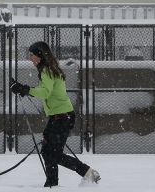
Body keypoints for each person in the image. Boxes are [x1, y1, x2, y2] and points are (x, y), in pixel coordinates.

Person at [10, 41, 101, 188]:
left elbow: (45, 91)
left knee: (53, 154)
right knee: (48, 152)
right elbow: (44, 91)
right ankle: (52, 184)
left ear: (40, 55)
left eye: (32, 55)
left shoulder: (47, 71)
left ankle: (86, 174)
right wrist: (23, 89)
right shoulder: (48, 69)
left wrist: (26, 89)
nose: (30, 58)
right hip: (59, 117)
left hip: (62, 117)